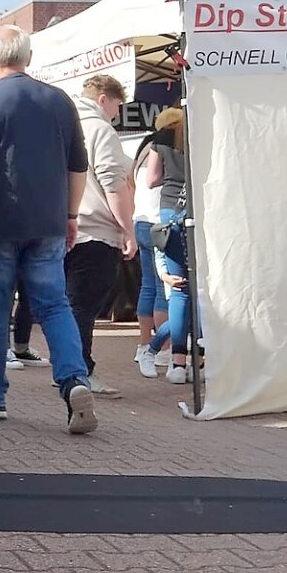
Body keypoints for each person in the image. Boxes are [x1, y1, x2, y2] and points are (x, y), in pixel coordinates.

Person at [0, 25, 97, 434]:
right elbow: (78, 167)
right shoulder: (60, 101)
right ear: (28, 57)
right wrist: (70, 214)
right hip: (48, 222)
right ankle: (74, 382)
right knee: (53, 304)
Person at [66, 75, 136, 395]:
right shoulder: (100, 130)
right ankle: (80, 370)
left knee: (67, 304)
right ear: (104, 99)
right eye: (118, 106)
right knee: (84, 305)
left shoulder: (62, 124)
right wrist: (128, 229)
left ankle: (69, 367)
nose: (118, 115)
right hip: (94, 230)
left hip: (62, 226)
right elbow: (112, 182)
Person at [144, 107, 191, 384]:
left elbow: (151, 179)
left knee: (180, 288)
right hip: (202, 210)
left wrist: (172, 176)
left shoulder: (162, 136)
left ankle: (177, 363)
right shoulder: (207, 130)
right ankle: (188, 357)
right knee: (201, 291)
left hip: (170, 211)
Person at [131, 131, 170, 377]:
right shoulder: (166, 151)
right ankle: (164, 349)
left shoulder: (143, 153)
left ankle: (144, 344)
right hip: (158, 222)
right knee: (162, 289)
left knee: (148, 286)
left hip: (141, 220)